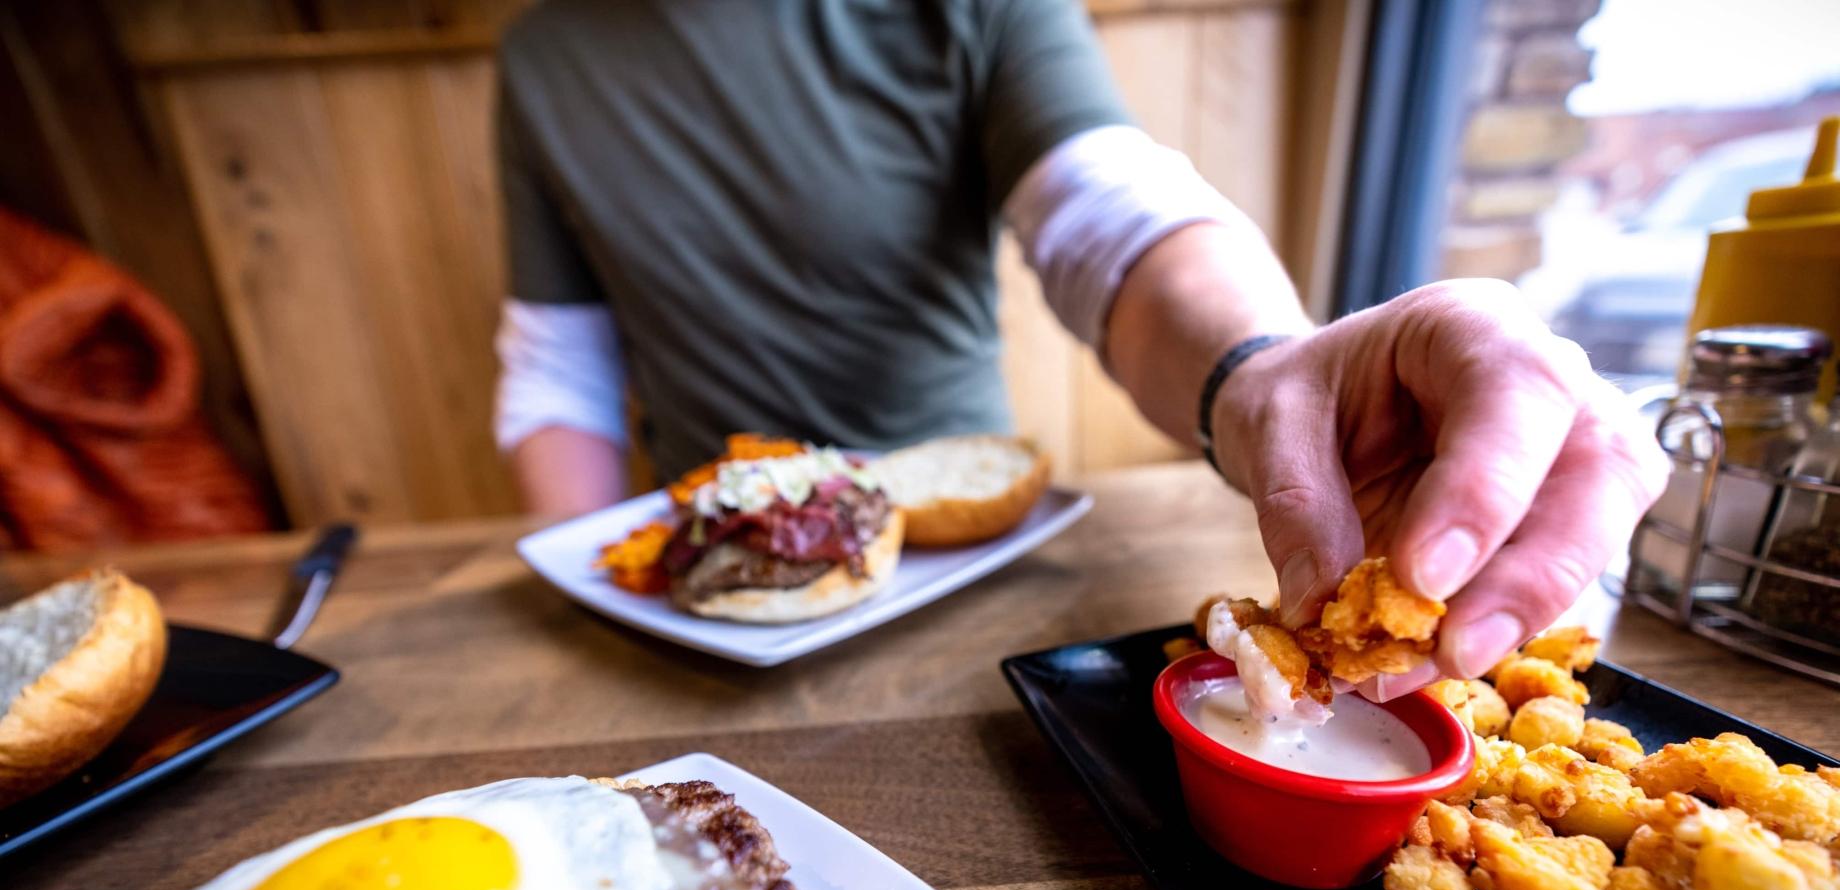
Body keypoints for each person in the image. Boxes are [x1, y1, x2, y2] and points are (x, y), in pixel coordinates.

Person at [491, 0, 1667, 692]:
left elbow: (1106, 216)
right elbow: (558, 365)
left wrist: (1263, 374)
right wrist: (591, 579)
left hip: (970, 582)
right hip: (692, 581)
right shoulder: (539, 56)